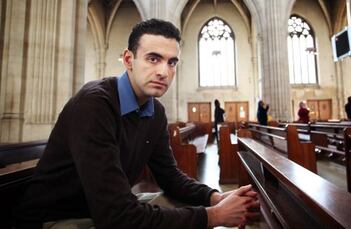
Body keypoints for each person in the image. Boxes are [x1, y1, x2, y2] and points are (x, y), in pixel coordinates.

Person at [15, 19, 259, 228]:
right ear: (128, 59)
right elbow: (117, 217)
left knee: (182, 205)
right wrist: (213, 216)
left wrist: (215, 198)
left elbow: (170, 177)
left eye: (172, 62)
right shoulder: (95, 105)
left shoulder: (155, 112)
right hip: (57, 219)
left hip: (100, 212)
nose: (164, 71)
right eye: (154, 58)